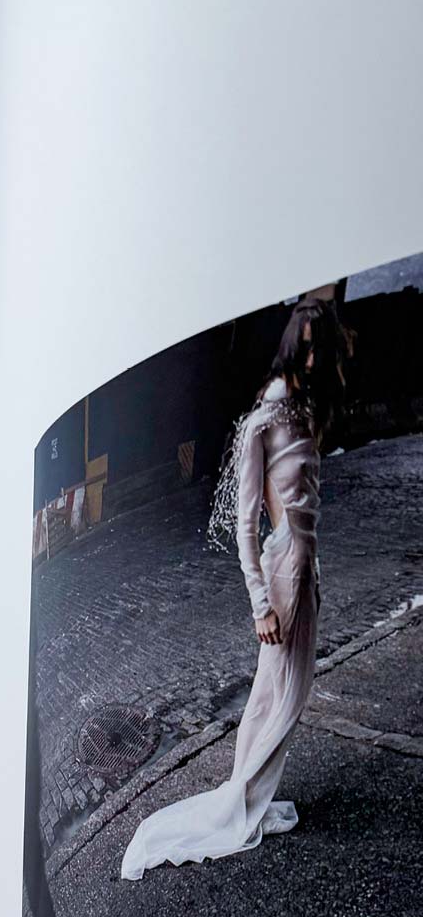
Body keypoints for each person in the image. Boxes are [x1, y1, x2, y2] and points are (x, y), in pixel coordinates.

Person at [120, 297, 352, 881]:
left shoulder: (303, 413)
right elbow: (247, 524)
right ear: (292, 347)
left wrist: (313, 573)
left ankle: (248, 796)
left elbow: (307, 506)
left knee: (283, 695)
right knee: (277, 696)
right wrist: (260, 605)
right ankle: (238, 802)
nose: (313, 360)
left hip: (305, 570)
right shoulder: (264, 422)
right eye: (307, 348)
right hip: (281, 573)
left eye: (321, 350)